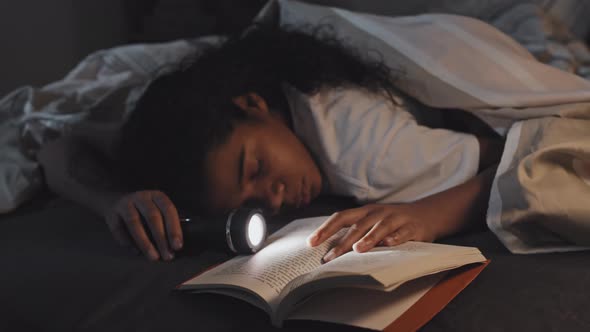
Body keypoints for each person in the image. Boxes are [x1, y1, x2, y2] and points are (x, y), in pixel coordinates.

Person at [37, 25, 504, 262]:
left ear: (252, 104)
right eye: (252, 200)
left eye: (256, 168)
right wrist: (113, 201)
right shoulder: (207, 91)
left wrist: (428, 215)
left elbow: (512, 151)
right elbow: (55, 143)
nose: (274, 198)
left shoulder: (369, 154)